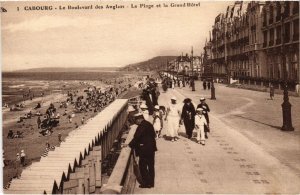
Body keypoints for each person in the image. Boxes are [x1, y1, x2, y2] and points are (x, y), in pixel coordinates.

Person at [129, 113, 157, 188]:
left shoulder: (141, 126)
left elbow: (136, 137)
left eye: (136, 120)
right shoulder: (148, 124)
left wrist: (129, 145)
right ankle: (151, 183)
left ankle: (146, 183)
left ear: (139, 119)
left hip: (144, 149)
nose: (136, 122)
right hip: (151, 148)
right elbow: (153, 135)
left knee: (142, 166)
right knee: (151, 166)